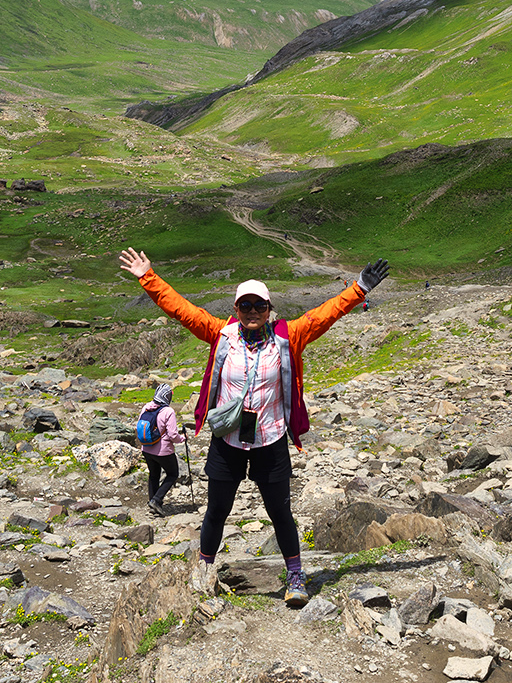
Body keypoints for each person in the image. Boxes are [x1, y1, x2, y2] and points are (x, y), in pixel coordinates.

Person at [118, 247, 389, 608]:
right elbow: (181, 309)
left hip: (270, 440)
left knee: (280, 512)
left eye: (259, 305)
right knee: (217, 510)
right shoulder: (221, 335)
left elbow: (325, 314)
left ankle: (295, 576)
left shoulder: (288, 337)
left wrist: (359, 288)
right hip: (227, 442)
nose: (252, 311)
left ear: (269, 308)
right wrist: (148, 277)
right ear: (236, 309)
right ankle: (204, 571)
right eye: (245, 305)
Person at [137, 383, 187, 515]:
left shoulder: (146, 407)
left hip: (146, 448)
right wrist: (182, 438)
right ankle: (156, 500)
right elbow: (172, 435)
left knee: (154, 475)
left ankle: (152, 502)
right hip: (163, 451)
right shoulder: (168, 411)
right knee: (173, 474)